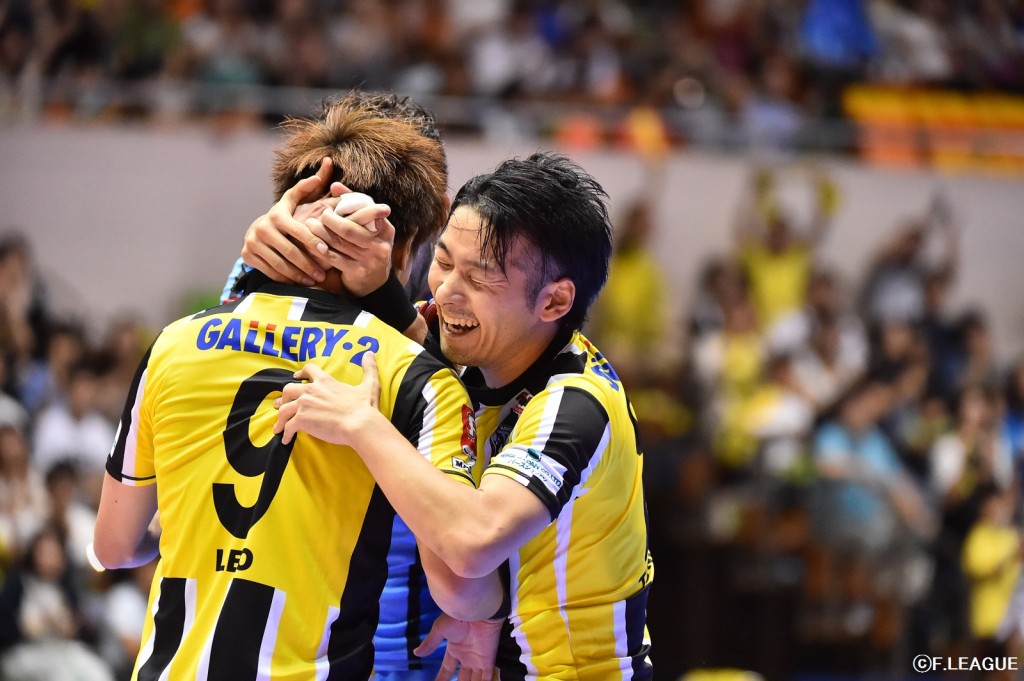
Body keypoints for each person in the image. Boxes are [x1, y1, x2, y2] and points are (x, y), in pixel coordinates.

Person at [92, 97, 502, 680]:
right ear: (426, 221)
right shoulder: (420, 370)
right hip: (384, 653)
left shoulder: (177, 340)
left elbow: (113, 545)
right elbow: (466, 570)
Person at [262, 152, 655, 677]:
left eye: (479, 278)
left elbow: (472, 544)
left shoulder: (575, 403)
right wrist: (258, 259)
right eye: (444, 262)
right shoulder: (472, 350)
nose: (445, 292)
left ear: (554, 302)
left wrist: (363, 425)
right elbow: (407, 334)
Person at [222, 90, 464, 680]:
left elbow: (480, 418)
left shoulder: (455, 301)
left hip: (405, 644)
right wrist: (252, 273)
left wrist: (386, 299)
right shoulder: (257, 274)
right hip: (307, 636)